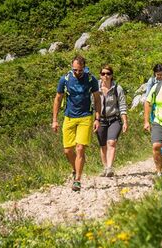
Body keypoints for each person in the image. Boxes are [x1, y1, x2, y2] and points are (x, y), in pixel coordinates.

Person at [51, 55, 100, 192]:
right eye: (75, 70)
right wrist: (55, 120)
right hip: (69, 117)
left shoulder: (91, 79)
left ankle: (77, 180)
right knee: (68, 150)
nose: (77, 72)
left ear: (84, 67)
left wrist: (97, 118)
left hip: (85, 117)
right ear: (71, 67)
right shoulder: (65, 80)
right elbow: (57, 99)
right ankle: (75, 169)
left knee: (80, 148)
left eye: (80, 70)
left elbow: (97, 99)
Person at [96, 64, 128, 177]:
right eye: (103, 73)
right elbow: (92, 105)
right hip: (100, 120)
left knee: (111, 142)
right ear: (100, 75)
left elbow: (122, 105)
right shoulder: (96, 88)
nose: (106, 76)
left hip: (114, 119)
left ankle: (109, 167)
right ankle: (105, 167)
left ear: (112, 75)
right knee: (103, 145)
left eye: (108, 73)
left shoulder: (117, 88)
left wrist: (125, 121)